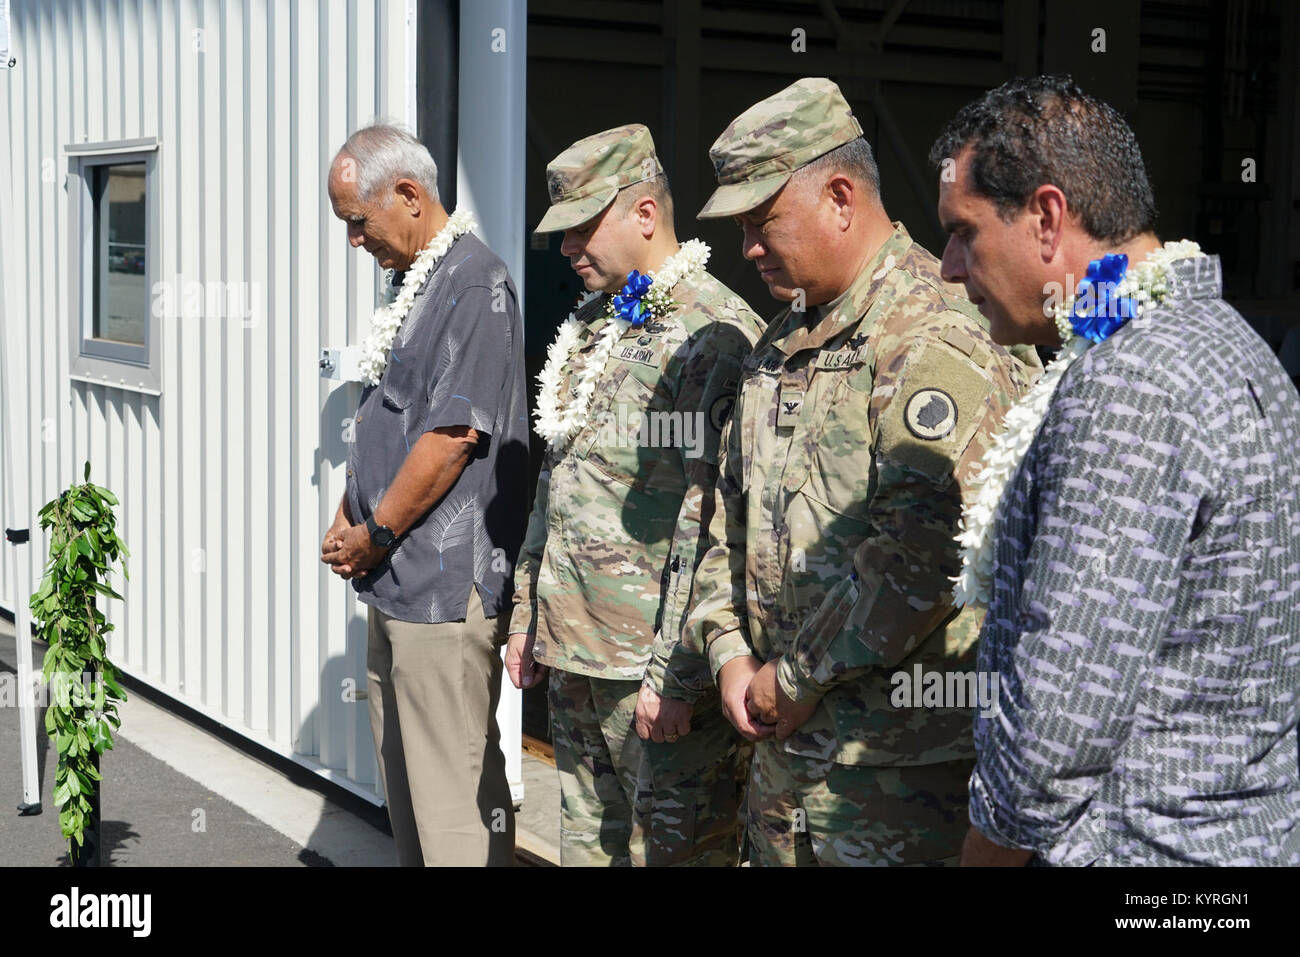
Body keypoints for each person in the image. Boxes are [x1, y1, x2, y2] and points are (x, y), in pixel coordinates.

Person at [929, 75, 1300, 867]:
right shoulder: (1231, 345)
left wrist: (981, 855)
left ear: (1048, 216)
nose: (948, 269)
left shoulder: (1130, 381)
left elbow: (1061, 716)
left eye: (964, 232)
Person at [684, 77, 1040, 866]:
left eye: (760, 221)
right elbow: (723, 517)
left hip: (889, 788)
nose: (747, 247)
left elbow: (925, 552)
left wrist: (796, 676)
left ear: (841, 197)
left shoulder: (939, 331)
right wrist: (729, 653)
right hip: (783, 776)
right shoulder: (778, 344)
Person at [505, 124, 764, 866]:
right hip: (576, 653)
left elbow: (712, 519)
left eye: (581, 228)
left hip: (650, 678)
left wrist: (677, 674)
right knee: (586, 852)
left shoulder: (711, 334)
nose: (564, 249)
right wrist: (529, 611)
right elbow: (556, 479)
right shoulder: (591, 326)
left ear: (644, 214)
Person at [321, 122, 527, 867]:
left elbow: (449, 439)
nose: (354, 240)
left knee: (454, 813)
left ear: (407, 195)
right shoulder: (417, 282)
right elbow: (396, 414)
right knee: (409, 800)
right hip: (396, 582)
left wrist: (373, 529)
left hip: (442, 585)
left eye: (357, 221)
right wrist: (353, 502)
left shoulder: (474, 282)